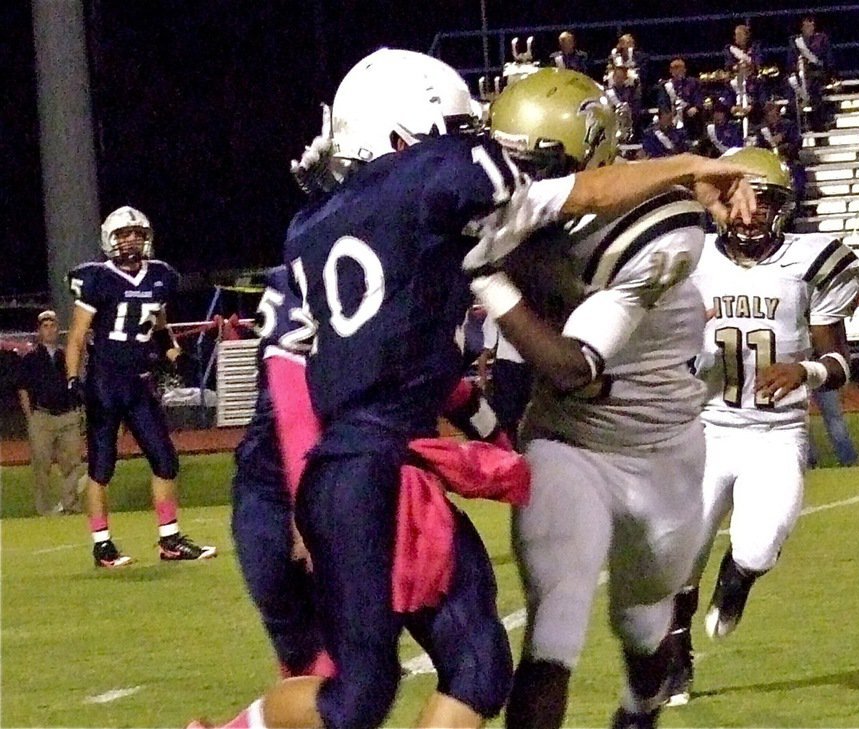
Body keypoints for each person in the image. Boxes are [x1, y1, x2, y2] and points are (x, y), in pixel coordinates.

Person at [206, 53, 756, 729]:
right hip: (314, 475)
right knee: (347, 692)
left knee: (475, 665)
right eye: (455, 131)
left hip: (370, 466)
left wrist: (688, 168)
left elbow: (443, 373)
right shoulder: (425, 195)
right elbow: (292, 391)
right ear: (405, 141)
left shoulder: (328, 232)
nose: (475, 146)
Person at [484, 68, 756, 729]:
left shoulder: (654, 230)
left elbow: (575, 365)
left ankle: (639, 712)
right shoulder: (501, 214)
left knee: (643, 624)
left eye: (532, 163)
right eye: (505, 158)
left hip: (660, 448)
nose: (510, 177)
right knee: (553, 626)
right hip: (567, 440)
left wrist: (483, 277)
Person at [228, 265, 527, 728]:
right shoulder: (312, 269)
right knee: (350, 691)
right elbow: (294, 403)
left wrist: (505, 452)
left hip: (394, 486)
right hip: (291, 498)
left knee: (478, 665)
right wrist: (305, 508)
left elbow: (446, 386)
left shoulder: (423, 269)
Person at [664, 147, 859, 706]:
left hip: (775, 433)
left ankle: (739, 578)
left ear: (784, 208)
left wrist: (805, 368)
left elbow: (841, 364)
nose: (748, 214)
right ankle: (676, 657)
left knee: (756, 545)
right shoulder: (690, 257)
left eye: (763, 202)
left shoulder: (812, 261)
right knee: (680, 554)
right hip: (702, 428)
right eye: (735, 202)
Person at [65, 206, 216, 568]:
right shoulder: (97, 278)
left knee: (165, 461)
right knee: (101, 469)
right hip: (104, 383)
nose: (130, 240)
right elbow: (77, 336)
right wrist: (72, 378)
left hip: (139, 383)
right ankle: (102, 544)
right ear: (109, 240)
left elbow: (159, 324)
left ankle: (170, 539)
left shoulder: (160, 276)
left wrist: (173, 352)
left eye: (136, 233)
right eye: (122, 234)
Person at [17, 309, 85, 515]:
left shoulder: (67, 357)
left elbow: (78, 383)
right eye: (45, 327)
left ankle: (70, 505)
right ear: (39, 331)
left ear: (57, 329)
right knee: (41, 463)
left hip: (67, 415)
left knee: (72, 463)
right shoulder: (30, 358)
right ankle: (44, 509)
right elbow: (23, 388)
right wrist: (31, 417)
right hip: (42, 416)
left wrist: (79, 410)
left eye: (52, 326)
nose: (49, 330)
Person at [479, 311, 532, 439]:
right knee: (506, 416)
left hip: (527, 367)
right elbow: (485, 351)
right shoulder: (496, 312)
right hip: (507, 368)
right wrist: (483, 378)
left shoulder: (533, 310)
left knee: (525, 415)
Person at [787, 15, 836, 133]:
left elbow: (827, 59)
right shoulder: (795, 41)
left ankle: (817, 123)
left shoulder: (822, 39)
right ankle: (795, 123)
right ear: (802, 28)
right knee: (790, 85)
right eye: (807, 25)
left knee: (814, 86)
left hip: (817, 73)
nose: (810, 28)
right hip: (800, 73)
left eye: (812, 25)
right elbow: (790, 60)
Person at [655, 58, 703, 135]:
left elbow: (698, 97)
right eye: (675, 69)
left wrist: (696, 107)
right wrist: (668, 114)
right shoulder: (666, 85)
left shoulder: (693, 83)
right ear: (670, 71)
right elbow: (662, 102)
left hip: (688, 113)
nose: (677, 72)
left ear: (685, 70)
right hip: (672, 114)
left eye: (680, 69)